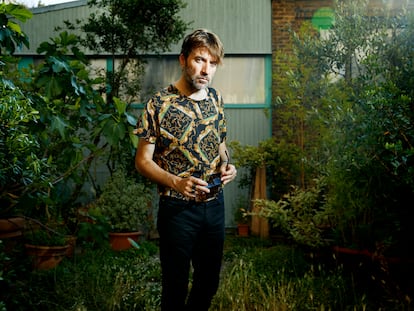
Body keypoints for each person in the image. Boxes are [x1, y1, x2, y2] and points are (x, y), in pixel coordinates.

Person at [134, 29, 237, 311]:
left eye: (213, 63)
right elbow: (142, 161)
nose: (206, 69)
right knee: (175, 289)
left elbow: (221, 145)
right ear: (183, 59)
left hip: (214, 206)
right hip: (177, 210)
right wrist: (176, 182)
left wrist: (228, 165)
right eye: (199, 60)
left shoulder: (215, 99)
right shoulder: (158, 104)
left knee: (208, 284)